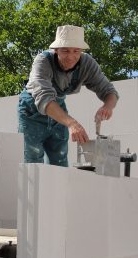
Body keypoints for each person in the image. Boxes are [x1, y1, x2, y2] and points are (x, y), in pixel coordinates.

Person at [18, 25, 119, 167]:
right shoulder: (42, 61)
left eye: (76, 51)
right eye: (65, 50)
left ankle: (56, 189)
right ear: (56, 50)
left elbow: (110, 91)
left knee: (59, 160)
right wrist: (72, 124)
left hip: (58, 108)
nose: (71, 57)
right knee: (33, 161)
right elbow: (44, 98)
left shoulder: (87, 63)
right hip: (31, 111)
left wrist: (107, 106)